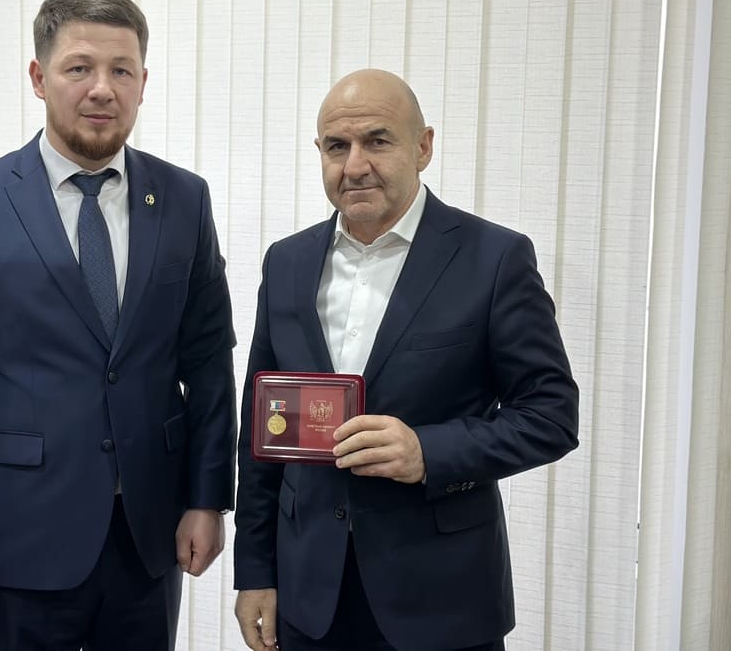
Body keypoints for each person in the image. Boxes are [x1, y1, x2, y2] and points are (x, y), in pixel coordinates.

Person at [0, 0, 237, 651]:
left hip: (146, 537)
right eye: (79, 68)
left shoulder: (184, 199)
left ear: (143, 82)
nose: (102, 89)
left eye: (122, 71)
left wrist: (207, 498)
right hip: (15, 541)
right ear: (39, 78)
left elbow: (207, 364)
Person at [233, 69, 580, 651]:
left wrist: (427, 451)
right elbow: (263, 430)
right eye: (337, 146)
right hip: (308, 596)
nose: (355, 165)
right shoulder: (286, 262)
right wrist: (255, 571)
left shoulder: (494, 259)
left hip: (442, 599)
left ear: (423, 147)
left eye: (378, 140)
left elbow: (551, 416)